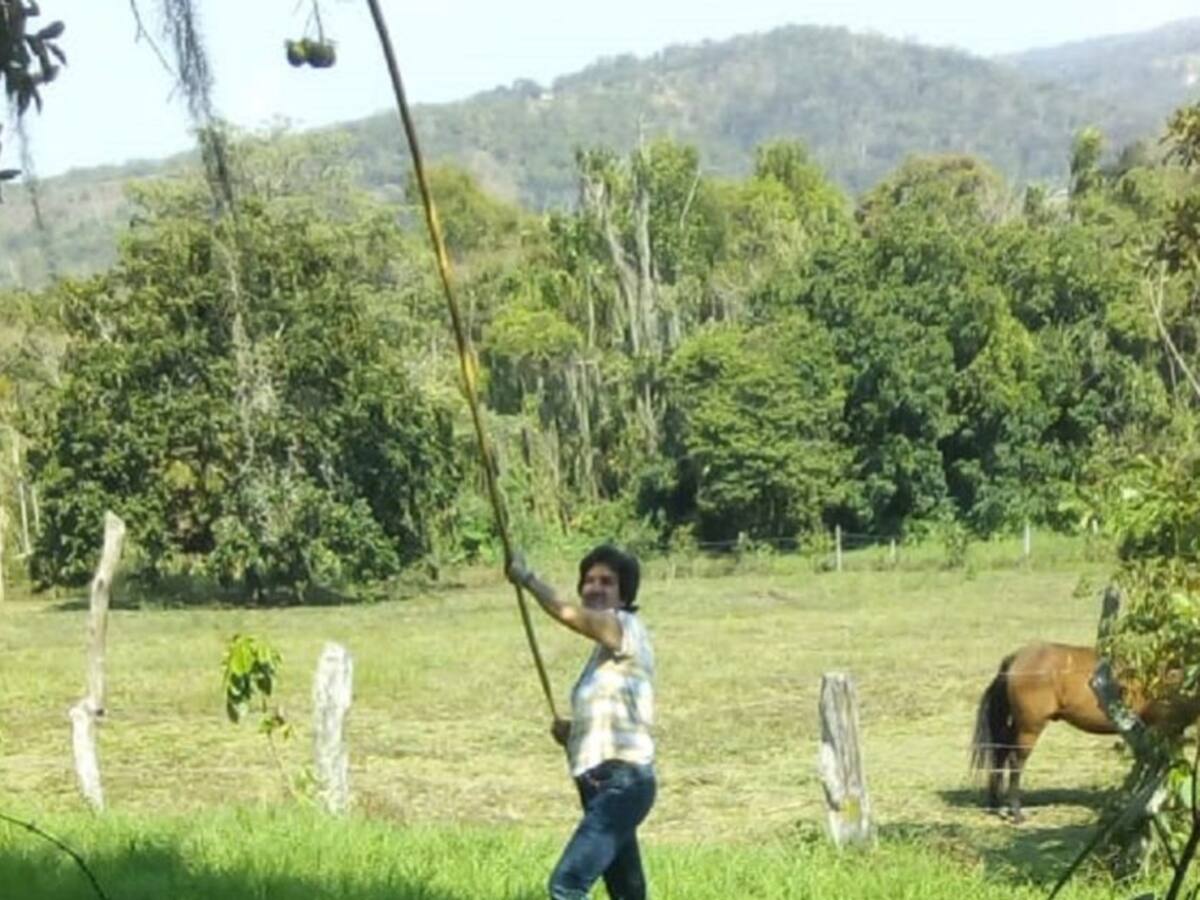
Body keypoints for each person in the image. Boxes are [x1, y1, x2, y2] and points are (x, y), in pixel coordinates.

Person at [507, 544, 657, 900]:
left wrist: (527, 579)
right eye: (589, 580)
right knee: (628, 893)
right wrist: (573, 734)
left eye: (607, 581)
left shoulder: (625, 629)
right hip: (600, 782)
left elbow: (569, 614)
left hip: (624, 782)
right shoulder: (604, 653)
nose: (595, 587)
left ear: (624, 593)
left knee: (567, 883)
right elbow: (612, 714)